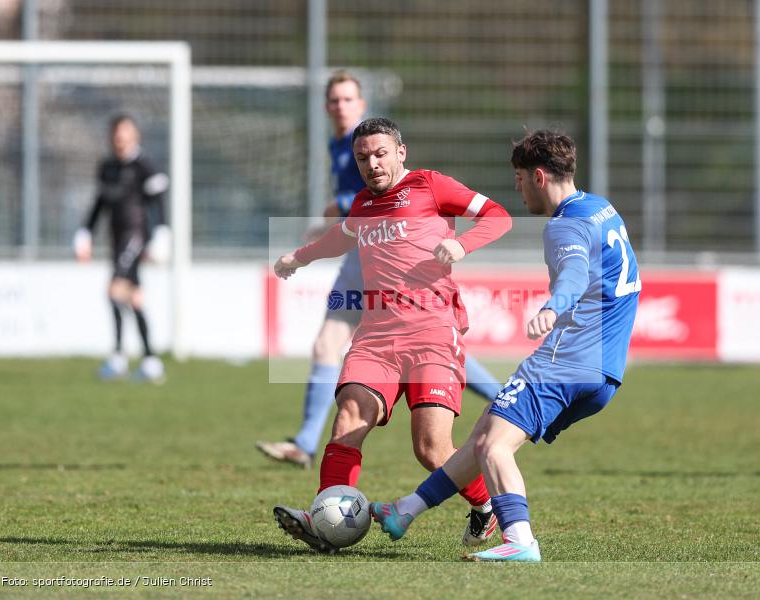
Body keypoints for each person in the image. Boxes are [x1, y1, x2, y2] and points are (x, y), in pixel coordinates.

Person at [369, 130, 641, 562]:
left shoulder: (563, 225)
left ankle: (520, 540)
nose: (516, 188)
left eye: (517, 178)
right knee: (482, 436)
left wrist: (554, 307)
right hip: (605, 372)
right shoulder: (601, 209)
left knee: (493, 447)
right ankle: (405, 510)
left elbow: (573, 271)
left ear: (537, 176)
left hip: (565, 361)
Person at [271, 117, 512, 553]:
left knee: (432, 450)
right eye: (363, 157)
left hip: (433, 333)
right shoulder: (363, 204)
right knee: (347, 421)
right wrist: (298, 258)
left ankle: (485, 508)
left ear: (401, 152)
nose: (372, 164)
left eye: (380, 154)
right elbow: (338, 240)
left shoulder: (431, 186)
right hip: (377, 338)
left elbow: (498, 216)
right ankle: (325, 517)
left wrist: (463, 244)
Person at [256, 71, 502, 469]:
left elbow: (367, 201)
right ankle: (306, 444)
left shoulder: (372, 143)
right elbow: (355, 214)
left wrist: (334, 216)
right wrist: (306, 251)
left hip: (377, 259)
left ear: (362, 105)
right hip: (361, 255)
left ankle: (502, 397)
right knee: (335, 346)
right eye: (334, 100)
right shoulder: (341, 145)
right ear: (326, 106)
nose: (341, 106)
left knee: (422, 342)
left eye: (348, 99)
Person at [74, 114, 170, 383]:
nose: (121, 138)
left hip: (135, 236)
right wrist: (85, 233)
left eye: (126, 133)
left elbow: (158, 202)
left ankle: (117, 358)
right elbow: (99, 204)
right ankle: (151, 361)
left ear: (135, 135)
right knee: (134, 298)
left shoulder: (145, 166)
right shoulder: (107, 167)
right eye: (117, 134)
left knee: (114, 291)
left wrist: (162, 234)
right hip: (116, 239)